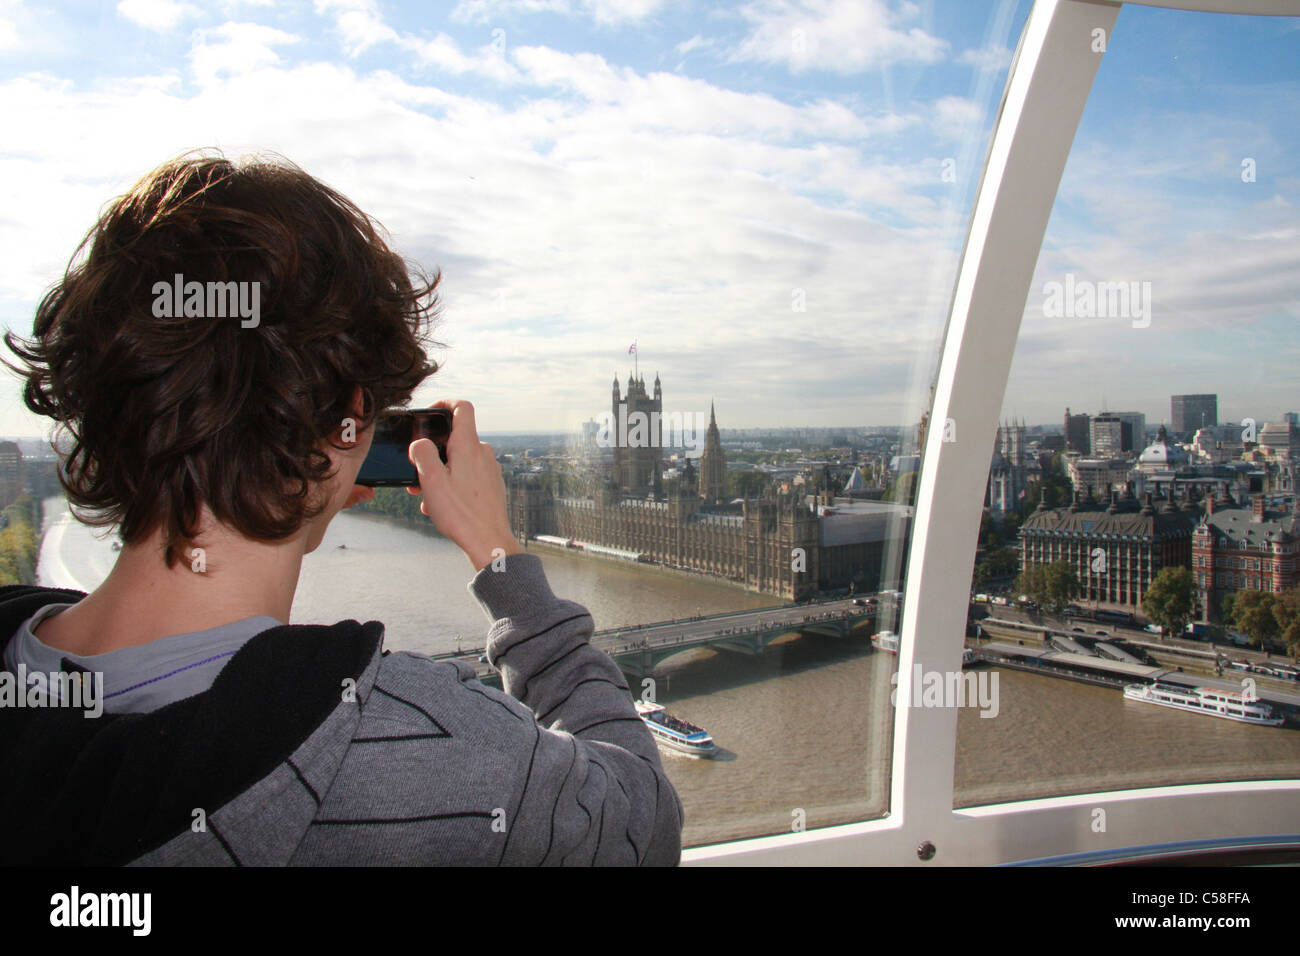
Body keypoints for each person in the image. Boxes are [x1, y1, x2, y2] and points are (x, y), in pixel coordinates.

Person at [0, 151, 683, 865]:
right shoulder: (431, 749)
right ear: (350, 421)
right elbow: (642, 826)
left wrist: (307, 488)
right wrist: (500, 559)